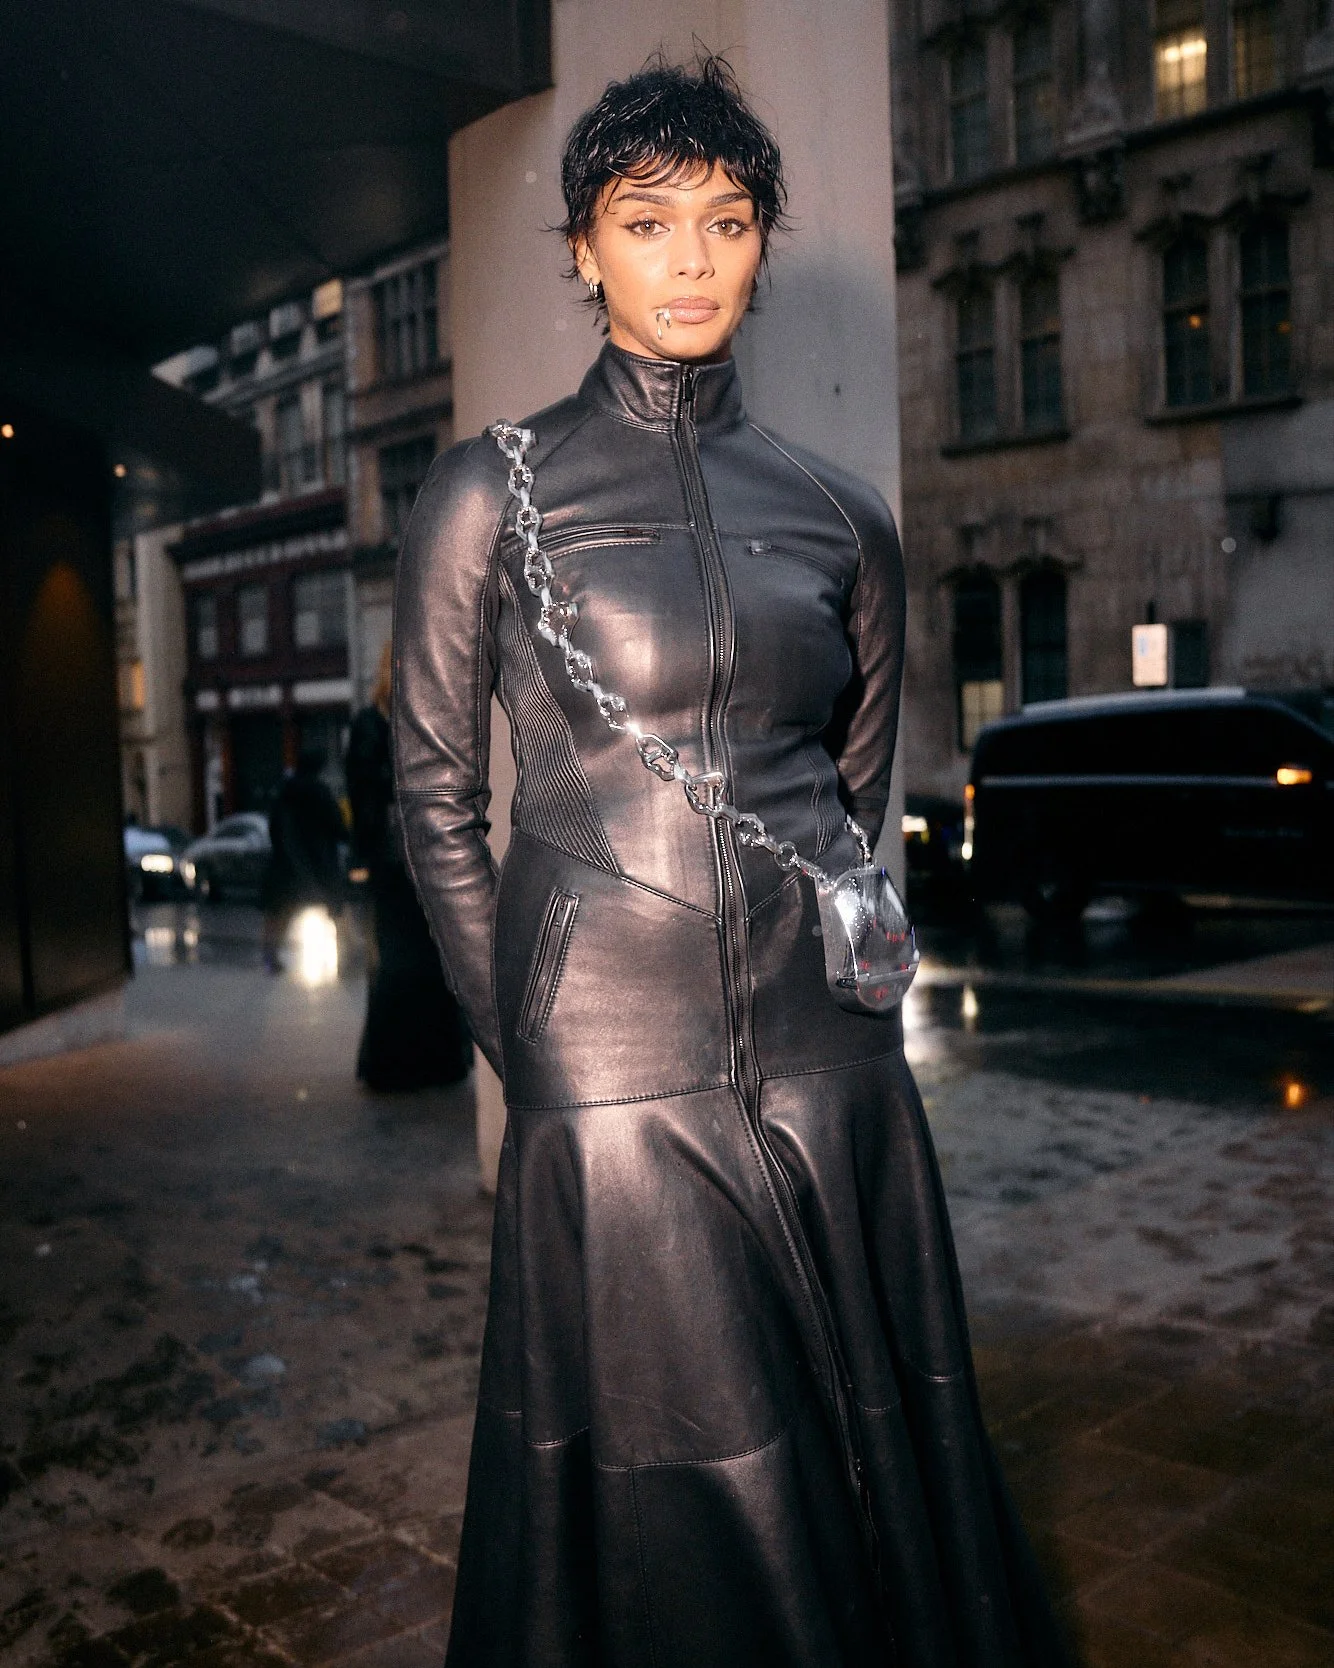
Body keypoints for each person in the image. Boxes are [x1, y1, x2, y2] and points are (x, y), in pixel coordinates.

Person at [394, 55, 1072, 1667]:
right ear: (583, 249)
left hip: (827, 1052)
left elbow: (854, 792)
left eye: (725, 219)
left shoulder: (843, 516)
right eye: (646, 221)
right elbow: (429, 798)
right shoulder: (487, 491)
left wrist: (848, 987)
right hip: (602, 1056)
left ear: (764, 244)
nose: (689, 257)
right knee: (663, 1455)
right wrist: (529, 1038)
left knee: (854, 1433)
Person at [346, 641, 471, 1089]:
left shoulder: (414, 722)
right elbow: (365, 799)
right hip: (396, 869)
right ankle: (399, 1066)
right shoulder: (373, 724)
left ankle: (427, 1063)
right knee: (401, 962)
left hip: (421, 863)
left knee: (428, 963)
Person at [259, 747, 346, 972]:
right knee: (335, 908)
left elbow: (274, 827)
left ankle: (270, 957)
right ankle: (346, 955)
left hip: (286, 863)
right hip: (319, 859)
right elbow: (336, 826)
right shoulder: (320, 792)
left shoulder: (284, 792)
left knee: (279, 912)